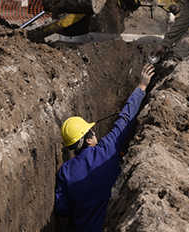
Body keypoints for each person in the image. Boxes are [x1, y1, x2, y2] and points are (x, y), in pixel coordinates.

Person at [53, 63, 155, 232]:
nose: (95, 134)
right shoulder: (106, 149)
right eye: (91, 131)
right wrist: (141, 87)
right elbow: (124, 119)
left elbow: (61, 208)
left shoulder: (65, 171)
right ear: (87, 140)